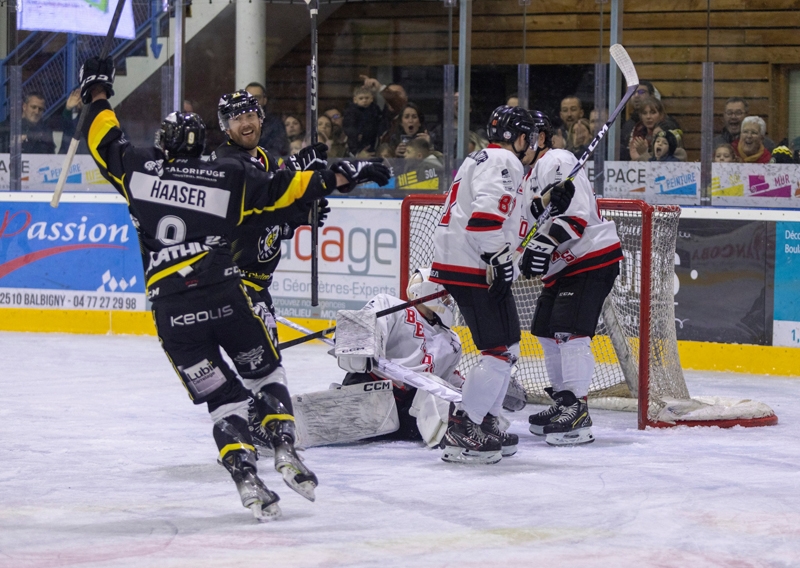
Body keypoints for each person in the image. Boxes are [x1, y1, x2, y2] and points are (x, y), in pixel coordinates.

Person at [77, 56, 390, 521]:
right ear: (208, 139)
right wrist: (352, 172)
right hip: (226, 296)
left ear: (162, 146)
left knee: (223, 402)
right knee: (267, 375)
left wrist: (97, 93)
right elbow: (293, 187)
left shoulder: (138, 172)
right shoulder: (226, 175)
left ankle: (244, 473)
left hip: (172, 316)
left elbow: (103, 137)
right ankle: (284, 446)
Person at [429, 105, 540, 464]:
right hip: (474, 267)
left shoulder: (482, 158)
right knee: (497, 352)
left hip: (468, 263)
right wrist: (499, 259)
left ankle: (486, 421)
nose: (532, 143)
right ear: (519, 137)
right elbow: (485, 219)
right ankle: (464, 428)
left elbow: (501, 212)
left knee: (508, 347)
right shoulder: (505, 163)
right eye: (529, 136)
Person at [520, 110, 622, 447]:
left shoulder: (558, 160)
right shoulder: (527, 178)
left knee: (568, 332)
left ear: (542, 138)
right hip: (563, 265)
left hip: (589, 257)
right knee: (546, 332)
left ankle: (578, 409)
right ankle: (564, 401)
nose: (518, 143)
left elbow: (575, 214)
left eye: (525, 135)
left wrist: (544, 244)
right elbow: (533, 220)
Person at [336, 268, 464, 443]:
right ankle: (346, 408)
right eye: (444, 295)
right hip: (372, 389)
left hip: (407, 408)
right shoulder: (391, 306)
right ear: (429, 290)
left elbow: (447, 380)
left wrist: (477, 390)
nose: (448, 300)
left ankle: (461, 431)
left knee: (438, 390)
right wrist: (357, 340)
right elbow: (364, 327)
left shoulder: (453, 341)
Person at [245, 82, 289, 157]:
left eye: (257, 98)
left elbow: (279, 151)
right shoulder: (235, 124)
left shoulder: (275, 124)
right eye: (249, 98)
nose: (253, 102)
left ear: (264, 100)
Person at [343, 85, 382, 156]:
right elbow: (350, 130)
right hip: (357, 143)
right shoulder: (351, 112)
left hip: (373, 141)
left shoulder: (375, 110)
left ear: (371, 99)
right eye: (361, 98)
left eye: (367, 98)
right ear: (355, 100)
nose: (364, 100)